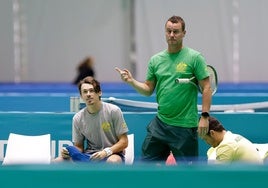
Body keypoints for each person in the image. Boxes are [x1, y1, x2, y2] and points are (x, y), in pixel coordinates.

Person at [115, 15, 212, 163]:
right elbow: (148, 89)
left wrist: (205, 117)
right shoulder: (156, 60)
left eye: (176, 31)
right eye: (168, 31)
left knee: (189, 176)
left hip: (185, 127)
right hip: (160, 124)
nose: (172, 35)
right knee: (147, 169)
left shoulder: (195, 58)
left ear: (184, 33)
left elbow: (206, 87)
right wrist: (132, 81)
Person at [56, 76, 129, 164]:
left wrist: (106, 152)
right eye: (85, 92)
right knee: (57, 161)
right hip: (90, 156)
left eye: (92, 90)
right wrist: (67, 153)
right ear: (81, 96)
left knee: (113, 161)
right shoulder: (78, 118)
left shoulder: (113, 111)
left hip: (112, 153)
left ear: (99, 93)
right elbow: (79, 147)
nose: (88, 94)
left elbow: (124, 142)